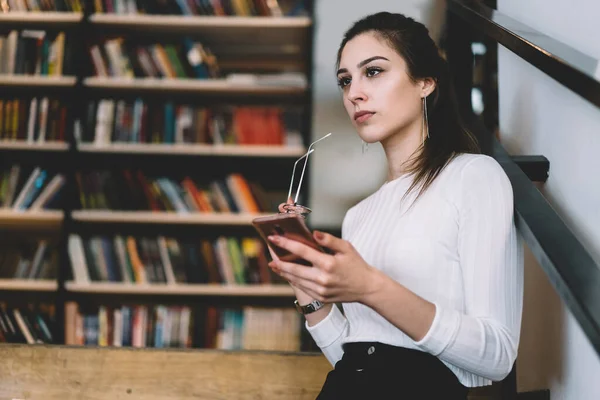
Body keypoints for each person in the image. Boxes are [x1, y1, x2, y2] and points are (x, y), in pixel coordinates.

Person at [265, 11, 524, 400]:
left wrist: (370, 286)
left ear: (425, 82)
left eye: (373, 72)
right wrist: (303, 281)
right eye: (345, 80)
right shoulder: (358, 215)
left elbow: (498, 355)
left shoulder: (474, 177)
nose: (354, 93)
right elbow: (350, 357)